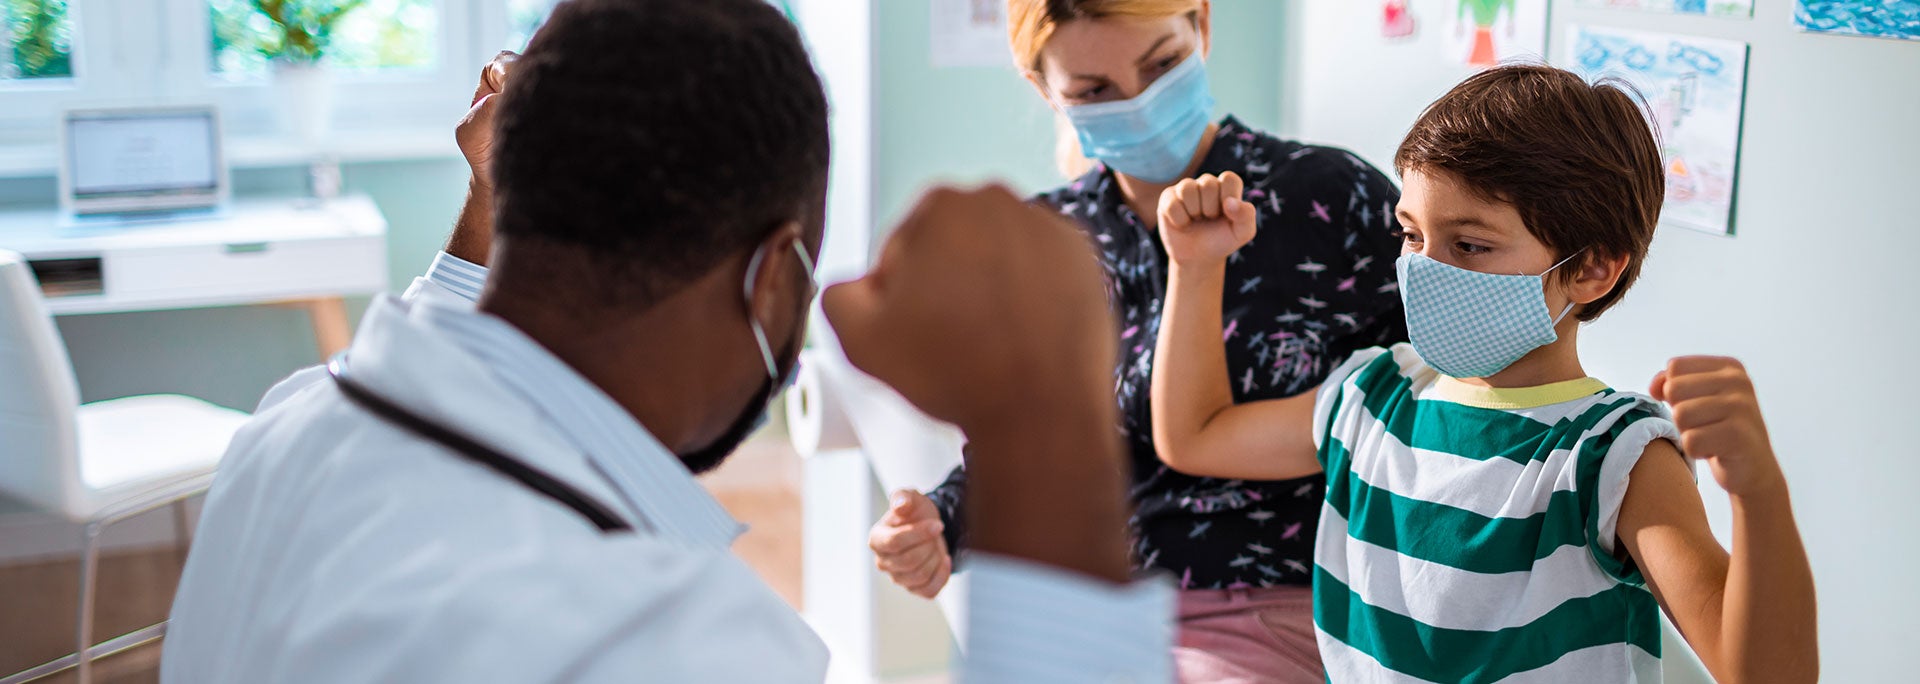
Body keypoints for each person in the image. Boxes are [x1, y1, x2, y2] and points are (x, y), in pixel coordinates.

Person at [161, 1, 1175, 681]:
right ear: (771, 275)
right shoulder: (663, 643)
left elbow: (432, 350)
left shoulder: (287, 432)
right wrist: (1045, 409)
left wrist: (489, 209)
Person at [1149, 65, 1818, 682]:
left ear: (1591, 269)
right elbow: (1196, 435)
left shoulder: (1611, 455)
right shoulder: (1372, 400)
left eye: (1469, 244)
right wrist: (1197, 267)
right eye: (1412, 235)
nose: (1426, 268)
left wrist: (1757, 491)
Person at [869, 1, 1405, 680]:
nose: (1142, 104)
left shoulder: (1334, 201)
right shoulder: (1047, 244)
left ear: (1201, 28)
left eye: (1163, 65)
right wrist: (937, 525)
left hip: (1288, 608)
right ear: (1044, 90)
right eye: (1095, 92)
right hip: (1090, 615)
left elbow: (1442, 404)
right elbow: (1029, 445)